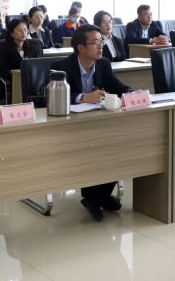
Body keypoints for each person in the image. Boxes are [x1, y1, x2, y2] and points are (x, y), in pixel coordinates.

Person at [51, 24, 131, 221]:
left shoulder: (103, 64)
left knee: (120, 144)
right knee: (96, 147)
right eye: (95, 42)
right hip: (69, 127)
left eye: (101, 41)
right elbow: (50, 97)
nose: (101, 46)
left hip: (98, 123)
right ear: (81, 47)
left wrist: (132, 93)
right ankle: (95, 196)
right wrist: (83, 97)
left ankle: (98, 196)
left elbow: (117, 86)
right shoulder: (62, 66)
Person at [0, 18, 43, 104]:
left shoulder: (34, 45)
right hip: (13, 83)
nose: (23, 33)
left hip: (33, 82)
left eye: (25, 30)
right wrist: (21, 76)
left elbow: (40, 66)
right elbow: (2, 71)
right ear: (12, 33)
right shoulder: (3, 47)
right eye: (19, 30)